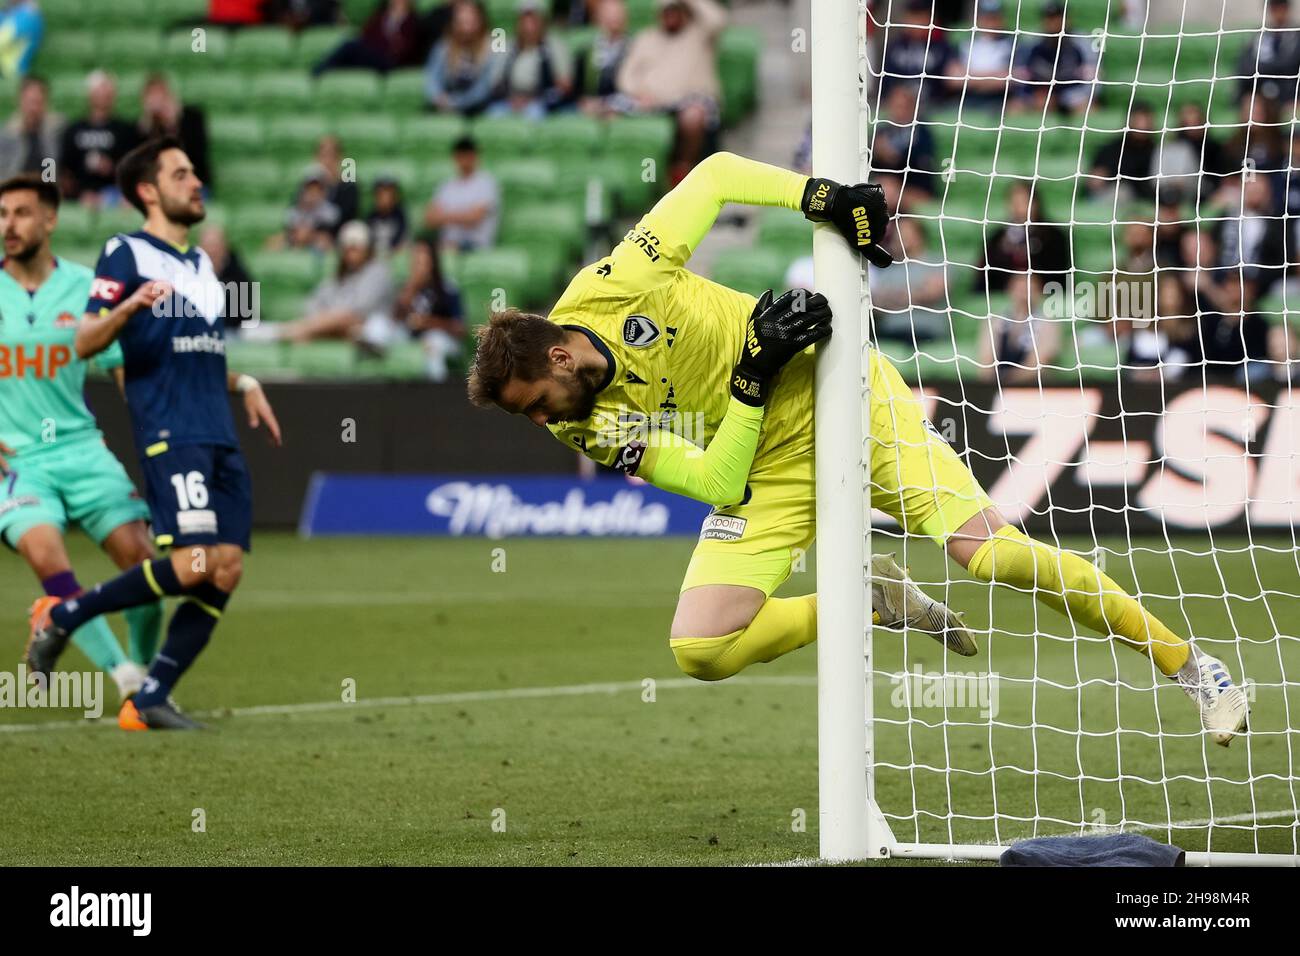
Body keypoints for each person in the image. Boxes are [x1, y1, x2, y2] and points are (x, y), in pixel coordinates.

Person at [466, 150, 1249, 746]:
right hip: (763, 464)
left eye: (534, 406)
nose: (543, 426)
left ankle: (1190, 666)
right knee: (701, 648)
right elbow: (716, 476)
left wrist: (824, 199)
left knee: (991, 557)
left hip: (847, 401)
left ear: (560, 358)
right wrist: (747, 382)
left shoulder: (620, 283)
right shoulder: (583, 422)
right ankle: (870, 602)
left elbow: (712, 176)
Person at [27, 137, 284, 731]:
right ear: (148, 190)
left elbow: (200, 356)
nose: (197, 182)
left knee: (226, 569)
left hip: (217, 432)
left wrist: (244, 384)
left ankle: (148, 700)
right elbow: (86, 340)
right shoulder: (125, 253)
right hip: (173, 432)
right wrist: (129, 306)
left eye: (195, 172)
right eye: (181, 174)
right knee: (195, 563)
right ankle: (65, 615)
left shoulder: (203, 268)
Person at [0, 174, 161, 700]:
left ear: (50, 219)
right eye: (2, 215)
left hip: (82, 449)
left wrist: (160, 436)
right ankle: (126, 681)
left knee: (142, 566)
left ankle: (138, 666)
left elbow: (121, 371)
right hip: (20, 460)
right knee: (49, 559)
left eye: (22, 213)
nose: (9, 225)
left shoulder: (85, 288)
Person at [615, 0, 727, 182]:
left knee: (693, 116)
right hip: (650, 101)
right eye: (666, 12)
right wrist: (638, 92)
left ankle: (682, 169)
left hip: (690, 99)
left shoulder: (700, 33)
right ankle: (634, 179)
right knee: (608, 113)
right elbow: (626, 76)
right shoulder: (646, 37)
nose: (670, 16)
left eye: (675, 11)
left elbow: (719, 20)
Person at [271, 219, 394, 343]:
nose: (351, 254)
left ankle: (288, 331)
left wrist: (329, 317)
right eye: (347, 249)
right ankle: (295, 332)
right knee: (305, 338)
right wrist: (326, 318)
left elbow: (359, 310)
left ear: (367, 249)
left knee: (347, 320)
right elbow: (313, 303)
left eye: (355, 249)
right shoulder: (340, 275)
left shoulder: (378, 272)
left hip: (371, 329)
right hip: (338, 328)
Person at [58, 71, 141, 207]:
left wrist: (111, 167)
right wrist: (78, 193)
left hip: (116, 195)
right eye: (99, 90)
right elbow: (65, 170)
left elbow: (133, 170)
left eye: (106, 90)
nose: (103, 95)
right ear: (90, 94)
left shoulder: (126, 130)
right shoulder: (73, 130)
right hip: (82, 196)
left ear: (113, 95)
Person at [974, 180, 1070, 293]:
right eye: (1014, 202)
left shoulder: (1054, 236)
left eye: (1023, 202)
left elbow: (1060, 274)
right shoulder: (997, 238)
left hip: (1044, 296)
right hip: (1003, 298)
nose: (1018, 208)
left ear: (1035, 203)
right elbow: (984, 276)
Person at [487, 0, 573, 118]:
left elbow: (565, 85)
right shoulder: (506, 45)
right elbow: (496, 81)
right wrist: (512, 99)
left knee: (534, 114)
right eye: (524, 20)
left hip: (540, 101)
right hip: (510, 100)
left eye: (533, 20)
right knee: (493, 114)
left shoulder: (555, 45)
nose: (528, 26)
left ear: (543, 22)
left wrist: (535, 99)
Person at [397, 231, 464, 380]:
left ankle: (437, 393)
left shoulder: (447, 288)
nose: (418, 264)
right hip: (411, 337)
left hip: (443, 340)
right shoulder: (407, 287)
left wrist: (428, 322)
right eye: (415, 259)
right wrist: (411, 288)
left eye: (422, 259)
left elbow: (459, 328)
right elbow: (394, 320)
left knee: (434, 342)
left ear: (432, 262)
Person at [977, 271, 1061, 384]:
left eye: (1029, 290)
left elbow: (1038, 364)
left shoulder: (1047, 324)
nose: (1024, 295)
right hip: (996, 384)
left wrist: (1007, 381)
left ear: (1039, 293)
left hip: (1032, 386)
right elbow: (985, 361)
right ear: (1010, 291)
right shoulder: (995, 321)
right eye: (1020, 290)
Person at [1014, 0, 1096, 115]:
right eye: (1050, 18)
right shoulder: (1031, 42)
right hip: (1040, 94)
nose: (1054, 22)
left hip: (1072, 94)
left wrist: (1065, 98)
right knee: (1015, 107)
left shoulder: (1082, 42)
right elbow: (1020, 75)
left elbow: (1093, 80)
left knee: (1089, 108)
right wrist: (1034, 95)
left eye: (1058, 17)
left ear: (1067, 19)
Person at [312, 0, 431, 75]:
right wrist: (388, 42)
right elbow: (366, 35)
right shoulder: (382, 16)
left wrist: (385, 43)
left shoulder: (413, 21)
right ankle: (326, 71)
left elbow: (405, 48)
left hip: (392, 62)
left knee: (350, 46)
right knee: (352, 47)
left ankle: (319, 71)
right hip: (376, 55)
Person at [424, 0, 500, 116]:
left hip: (479, 107)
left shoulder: (494, 44)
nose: (466, 27)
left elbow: (486, 87)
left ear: (480, 21)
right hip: (446, 104)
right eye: (461, 21)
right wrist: (437, 97)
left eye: (470, 21)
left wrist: (456, 102)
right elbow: (431, 77)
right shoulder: (444, 45)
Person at [424, 135, 499, 252]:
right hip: (447, 243)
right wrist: (462, 215)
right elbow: (429, 219)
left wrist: (444, 216)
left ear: (475, 156)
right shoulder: (446, 186)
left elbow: (475, 218)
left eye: (468, 155)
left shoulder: (486, 183)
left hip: (475, 245)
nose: (464, 159)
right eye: (460, 155)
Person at [138, 73, 212, 189]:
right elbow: (144, 163)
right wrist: (149, 126)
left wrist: (173, 124)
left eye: (160, 94)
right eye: (152, 95)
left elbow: (196, 153)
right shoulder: (147, 127)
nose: (158, 100)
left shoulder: (193, 117)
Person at [0, 76, 64, 180]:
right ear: (20, 101)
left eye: (38, 102)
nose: (33, 109)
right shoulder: (6, 136)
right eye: (30, 102)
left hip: (47, 191)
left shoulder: (57, 131)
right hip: (15, 191)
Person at [576, 0, 632, 117]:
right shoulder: (587, 51)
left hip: (622, 104)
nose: (613, 18)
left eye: (617, 14)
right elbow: (578, 90)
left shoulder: (634, 49)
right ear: (599, 19)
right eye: (608, 14)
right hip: (593, 104)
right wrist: (586, 101)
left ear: (625, 18)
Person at [366, 174, 408, 254]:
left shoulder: (401, 216)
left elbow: (402, 240)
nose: (385, 197)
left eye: (388, 192)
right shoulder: (371, 217)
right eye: (381, 193)